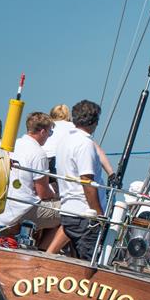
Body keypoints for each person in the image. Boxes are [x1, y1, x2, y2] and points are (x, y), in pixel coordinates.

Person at [0, 113, 65, 251]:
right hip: (23, 211)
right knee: (73, 213)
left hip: (4, 209)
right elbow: (43, 194)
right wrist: (56, 190)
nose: (49, 136)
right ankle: (45, 252)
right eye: (50, 132)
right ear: (42, 131)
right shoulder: (39, 154)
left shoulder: (13, 145)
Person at [56, 100, 105, 260]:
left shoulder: (66, 140)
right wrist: (98, 215)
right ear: (94, 121)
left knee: (78, 259)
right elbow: (86, 180)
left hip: (68, 210)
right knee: (89, 261)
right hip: (84, 214)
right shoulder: (85, 144)